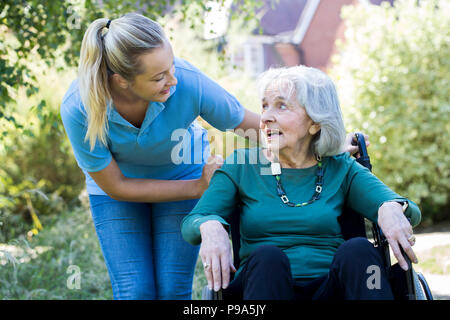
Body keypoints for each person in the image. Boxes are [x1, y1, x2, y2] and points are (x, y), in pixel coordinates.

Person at [61, 12, 363, 300]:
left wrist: (326, 143)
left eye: (172, 66)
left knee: (172, 290)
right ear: (122, 80)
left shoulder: (188, 82)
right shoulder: (80, 107)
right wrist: (197, 188)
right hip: (118, 192)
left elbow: (250, 126)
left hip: (181, 173)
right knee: (135, 290)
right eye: (158, 77)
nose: (173, 80)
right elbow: (116, 185)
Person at [181, 65, 421, 300]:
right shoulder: (242, 165)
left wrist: (390, 207)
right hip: (264, 285)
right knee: (267, 257)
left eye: (281, 106)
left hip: (334, 288)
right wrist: (209, 224)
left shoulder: (339, 167)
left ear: (315, 123)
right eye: (264, 106)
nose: (265, 117)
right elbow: (192, 223)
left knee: (359, 250)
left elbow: (410, 210)